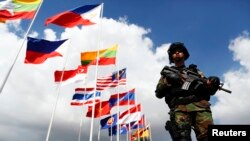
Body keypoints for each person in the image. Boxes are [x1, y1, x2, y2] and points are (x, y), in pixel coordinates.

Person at [155, 42, 220, 141]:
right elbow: (158, 93)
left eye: (180, 51)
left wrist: (213, 83)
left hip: (200, 108)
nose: (177, 52)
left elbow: (209, 90)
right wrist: (168, 80)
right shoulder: (167, 73)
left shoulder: (196, 72)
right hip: (180, 109)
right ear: (171, 57)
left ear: (184, 54)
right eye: (174, 52)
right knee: (182, 138)